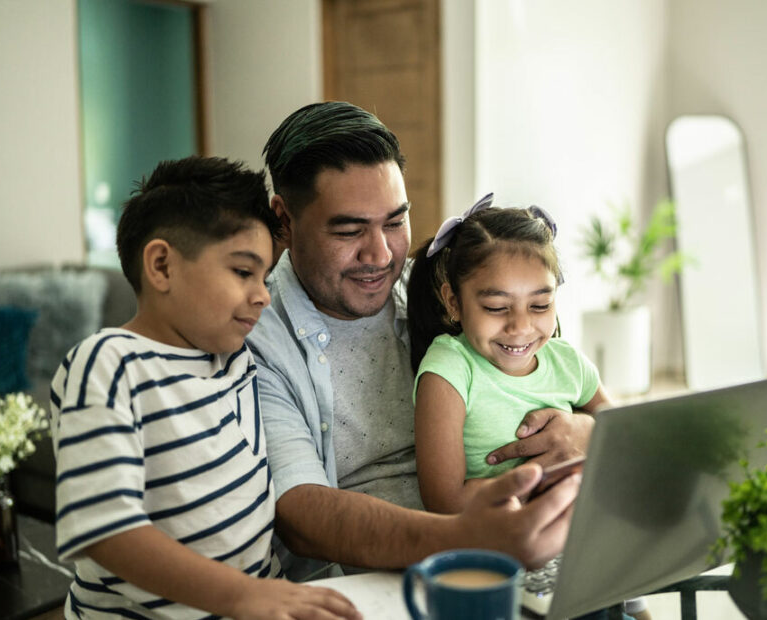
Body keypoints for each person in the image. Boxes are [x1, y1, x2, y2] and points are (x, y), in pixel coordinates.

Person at [247, 101, 592, 580]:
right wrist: (468, 539)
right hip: (381, 575)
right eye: (349, 230)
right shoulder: (256, 339)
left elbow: (544, 371)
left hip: (509, 531)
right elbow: (302, 516)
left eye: (394, 222)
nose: (381, 253)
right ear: (283, 221)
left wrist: (585, 433)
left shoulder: (436, 293)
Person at [50, 156, 360, 619]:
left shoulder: (233, 359)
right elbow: (105, 530)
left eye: (264, 276)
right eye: (242, 272)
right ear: (161, 266)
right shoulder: (110, 364)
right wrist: (243, 595)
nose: (263, 294)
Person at [407, 197, 651, 620]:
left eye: (540, 305)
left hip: (584, 552)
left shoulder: (567, 360)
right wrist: (537, 488)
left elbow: (624, 436)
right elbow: (443, 501)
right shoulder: (449, 367)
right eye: (497, 308)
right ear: (453, 301)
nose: (521, 326)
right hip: (500, 554)